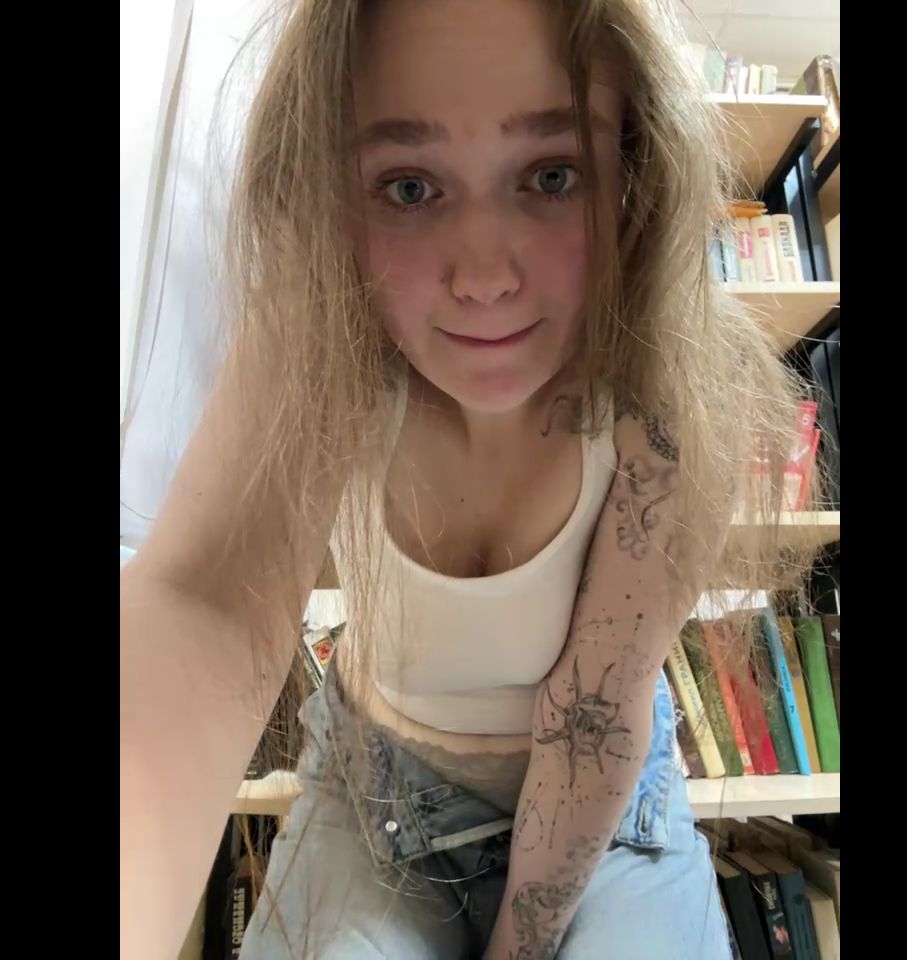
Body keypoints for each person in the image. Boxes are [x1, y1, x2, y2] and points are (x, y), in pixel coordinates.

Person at [120, 1, 817, 958]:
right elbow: (206, 600)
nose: (484, 275)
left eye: (552, 175)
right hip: (376, 789)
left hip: (605, 801)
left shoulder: (663, 402)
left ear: (634, 174)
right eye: (409, 187)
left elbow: (593, 713)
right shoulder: (323, 344)